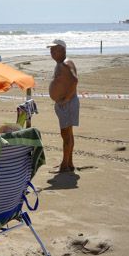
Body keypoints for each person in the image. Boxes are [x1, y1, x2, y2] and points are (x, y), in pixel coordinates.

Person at [48, 39, 79, 172]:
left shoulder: (65, 64)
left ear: (62, 50)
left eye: (54, 49)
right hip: (67, 103)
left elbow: (74, 80)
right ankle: (69, 163)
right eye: (51, 50)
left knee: (66, 134)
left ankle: (64, 165)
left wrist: (66, 98)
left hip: (67, 104)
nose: (52, 52)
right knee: (68, 134)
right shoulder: (62, 63)